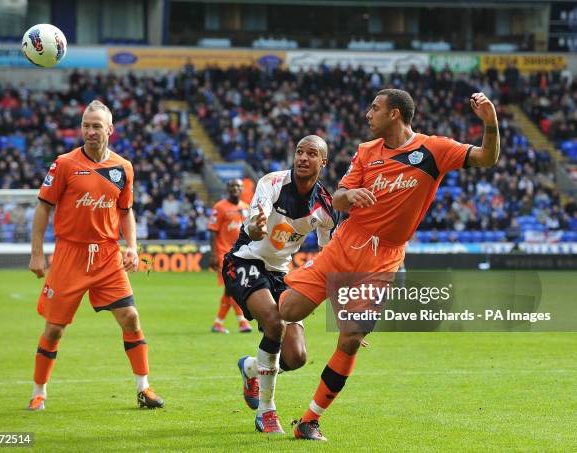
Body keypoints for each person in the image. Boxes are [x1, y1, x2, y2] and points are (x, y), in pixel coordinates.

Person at [280, 89, 500, 441]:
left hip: (383, 259)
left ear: (395, 114)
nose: (368, 114)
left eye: (375, 108)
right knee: (286, 309)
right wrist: (348, 196)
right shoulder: (367, 152)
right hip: (345, 244)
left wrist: (490, 124)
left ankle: (309, 420)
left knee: (350, 339)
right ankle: (261, 368)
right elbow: (337, 197)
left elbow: (487, 158)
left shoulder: (434, 150)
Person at [27, 100, 164, 411]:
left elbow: (126, 212)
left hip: (106, 255)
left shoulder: (123, 168)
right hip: (69, 254)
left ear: (110, 130)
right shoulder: (63, 164)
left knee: (130, 317)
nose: (89, 131)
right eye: (86, 125)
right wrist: (37, 253)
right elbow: (43, 208)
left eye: (96, 126)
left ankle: (145, 388)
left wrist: (132, 247)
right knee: (54, 328)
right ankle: (39, 391)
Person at [222, 135, 339, 434]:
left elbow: (330, 258)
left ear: (322, 162)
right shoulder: (272, 182)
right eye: (299, 151)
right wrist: (255, 226)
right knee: (274, 323)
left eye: (311, 153)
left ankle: (250, 367)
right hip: (245, 261)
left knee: (296, 357)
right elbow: (254, 219)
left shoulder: (325, 208)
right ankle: (266, 410)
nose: (302, 158)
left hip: (280, 274)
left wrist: (345, 311)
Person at [208, 179, 253, 334]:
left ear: (242, 190)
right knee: (233, 287)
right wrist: (213, 253)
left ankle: (219, 323)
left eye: (238, 186)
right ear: (227, 188)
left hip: (241, 254)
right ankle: (241, 322)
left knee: (231, 289)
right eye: (232, 186)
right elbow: (212, 231)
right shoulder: (219, 207)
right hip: (223, 254)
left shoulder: (246, 208)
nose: (235, 188)